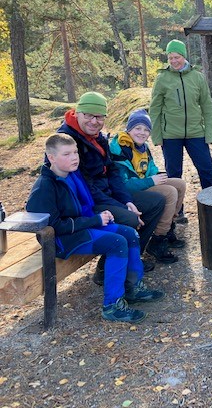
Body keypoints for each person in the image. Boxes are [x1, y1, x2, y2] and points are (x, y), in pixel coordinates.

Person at [26, 134, 165, 323]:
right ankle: (112, 306)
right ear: (51, 158)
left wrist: (104, 214)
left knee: (129, 233)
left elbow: (86, 205)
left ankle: (132, 287)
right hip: (62, 240)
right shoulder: (45, 187)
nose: (74, 157)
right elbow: (54, 227)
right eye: (67, 154)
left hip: (81, 227)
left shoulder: (72, 175)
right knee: (116, 242)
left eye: (75, 152)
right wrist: (95, 221)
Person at [58, 91, 165, 280]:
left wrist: (126, 200)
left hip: (106, 194)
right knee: (130, 219)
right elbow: (86, 188)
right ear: (78, 113)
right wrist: (122, 207)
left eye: (99, 116)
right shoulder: (67, 141)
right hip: (84, 204)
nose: (94, 121)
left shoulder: (97, 137)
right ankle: (104, 269)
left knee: (156, 201)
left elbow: (112, 171)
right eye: (88, 115)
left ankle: (133, 258)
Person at [150, 39, 212, 222]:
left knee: (207, 171)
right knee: (173, 175)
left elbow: (207, 106)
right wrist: (156, 136)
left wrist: (210, 132)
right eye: (170, 57)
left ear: (184, 56)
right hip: (170, 135)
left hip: (196, 133)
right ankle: (176, 213)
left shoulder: (197, 77)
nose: (173, 61)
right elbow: (155, 108)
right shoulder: (162, 78)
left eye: (177, 57)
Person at [109, 109, 185, 263]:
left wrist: (156, 176)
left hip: (142, 182)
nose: (142, 133)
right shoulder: (120, 147)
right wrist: (152, 181)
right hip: (128, 190)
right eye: (137, 128)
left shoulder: (143, 147)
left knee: (179, 184)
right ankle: (158, 239)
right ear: (129, 129)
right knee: (170, 192)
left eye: (146, 130)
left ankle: (168, 227)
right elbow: (123, 185)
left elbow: (151, 168)